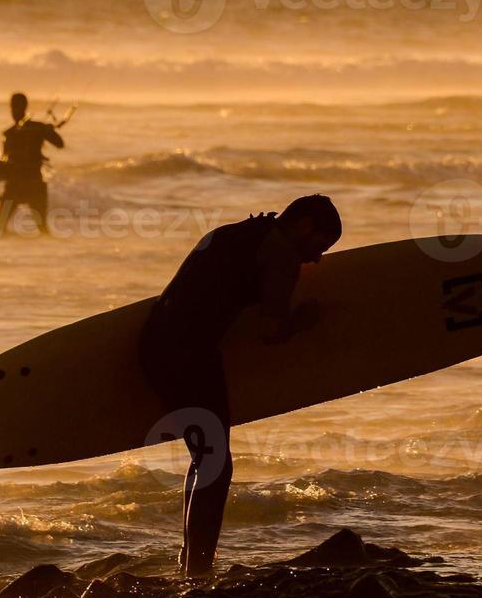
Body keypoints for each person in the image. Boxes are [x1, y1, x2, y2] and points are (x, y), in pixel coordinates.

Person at [139, 195, 342, 577]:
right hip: (187, 354)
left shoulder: (237, 232)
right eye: (319, 246)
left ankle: (191, 560)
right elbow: (271, 330)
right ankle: (197, 567)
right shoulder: (281, 253)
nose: (316, 259)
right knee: (214, 460)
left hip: (156, 342)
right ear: (302, 226)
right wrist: (305, 320)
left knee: (207, 456)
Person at [0, 93, 65, 235]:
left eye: (18, 107)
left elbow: (59, 143)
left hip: (30, 185)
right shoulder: (10, 133)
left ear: (24, 107)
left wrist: (48, 130)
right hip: (19, 185)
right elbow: (5, 162)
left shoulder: (35, 129)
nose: (15, 110)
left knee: (41, 229)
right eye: (14, 107)